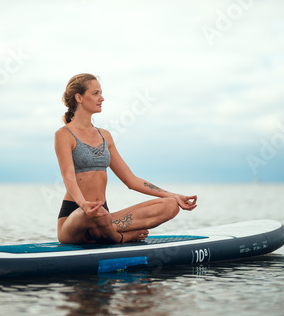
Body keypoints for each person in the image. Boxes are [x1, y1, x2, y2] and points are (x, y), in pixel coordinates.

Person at [55, 73, 197, 244]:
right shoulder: (64, 134)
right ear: (79, 97)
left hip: (104, 216)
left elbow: (131, 180)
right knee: (93, 217)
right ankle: (120, 237)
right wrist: (84, 203)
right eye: (96, 93)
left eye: (101, 93)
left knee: (170, 206)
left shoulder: (105, 136)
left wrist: (174, 195)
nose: (102, 98)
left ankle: (101, 233)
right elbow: (69, 176)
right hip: (76, 216)